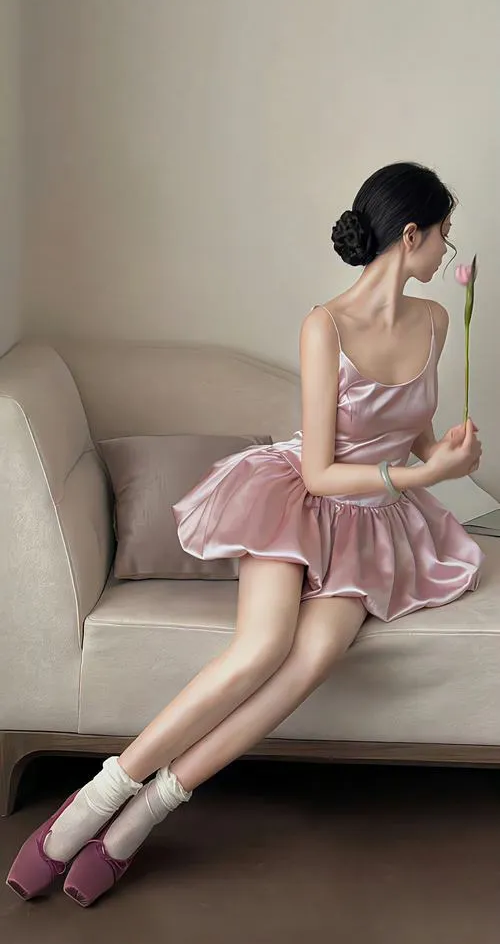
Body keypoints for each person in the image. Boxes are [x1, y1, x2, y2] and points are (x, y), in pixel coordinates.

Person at [7, 161, 483, 908]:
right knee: (261, 648)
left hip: (373, 522)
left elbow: (412, 430)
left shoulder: (436, 322)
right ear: (411, 233)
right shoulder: (325, 326)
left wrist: (444, 454)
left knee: (313, 658)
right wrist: (424, 475)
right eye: (444, 236)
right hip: (298, 501)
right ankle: (93, 802)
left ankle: (143, 817)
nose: (447, 253)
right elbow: (320, 472)